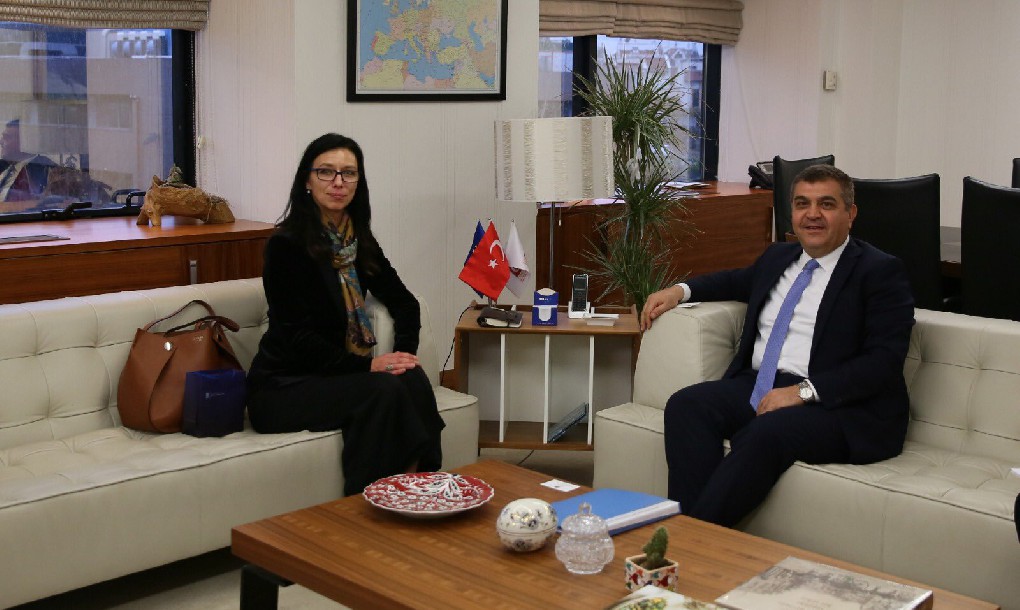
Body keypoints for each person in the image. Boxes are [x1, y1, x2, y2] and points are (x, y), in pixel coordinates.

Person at [641, 164, 915, 527]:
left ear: (850, 214)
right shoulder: (778, 258)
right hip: (760, 383)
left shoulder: (880, 272)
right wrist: (680, 290)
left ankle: (688, 539)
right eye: (802, 204)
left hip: (839, 406)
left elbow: (882, 362)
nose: (812, 214)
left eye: (826, 204)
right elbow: (734, 281)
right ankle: (695, 532)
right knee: (687, 405)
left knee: (764, 433)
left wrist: (802, 392)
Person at [246, 133, 445, 496]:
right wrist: (368, 366)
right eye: (326, 171)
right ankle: (367, 501)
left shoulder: (358, 241)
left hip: (337, 376)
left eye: (348, 173)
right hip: (284, 385)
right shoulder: (286, 246)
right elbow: (296, 337)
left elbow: (405, 303)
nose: (338, 182)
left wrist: (402, 357)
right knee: (382, 389)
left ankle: (419, 488)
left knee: (410, 378)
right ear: (307, 181)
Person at [0, 119, 54, 202]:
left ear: (25, 142)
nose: (1, 142)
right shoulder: (4, 166)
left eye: (7, 137)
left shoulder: (45, 170)